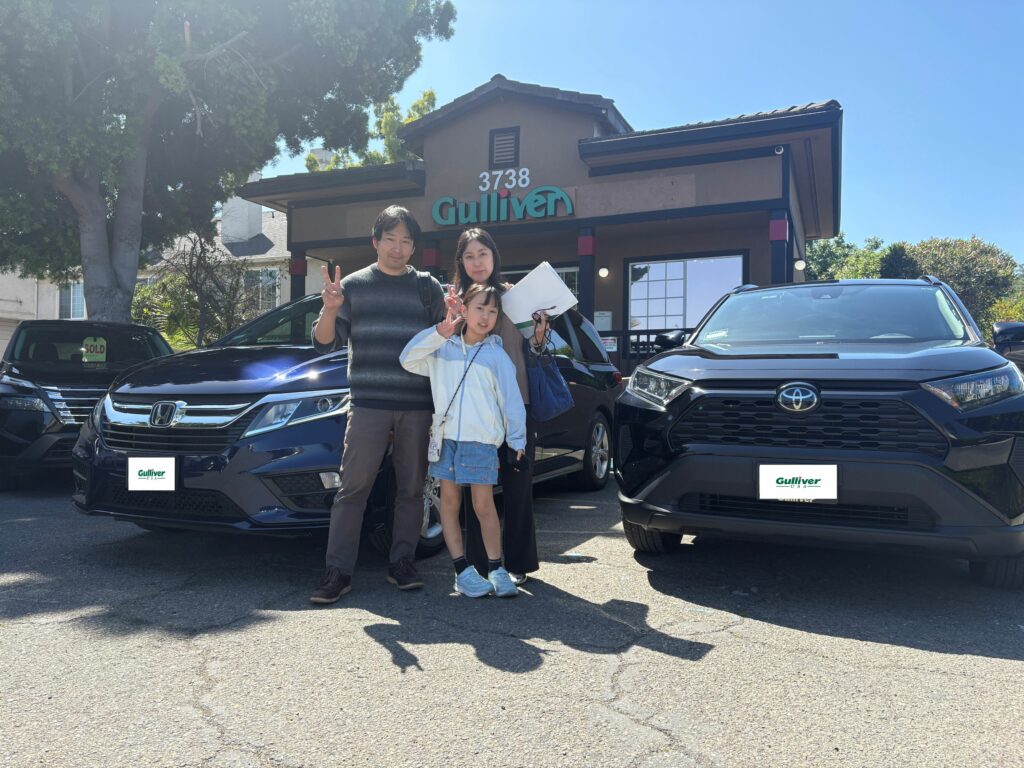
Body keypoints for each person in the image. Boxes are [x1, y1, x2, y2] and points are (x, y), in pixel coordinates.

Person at [309, 205, 444, 604]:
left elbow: (451, 333)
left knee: (411, 489)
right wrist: (330, 309)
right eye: (390, 239)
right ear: (376, 242)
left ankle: (401, 562)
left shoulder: (427, 287)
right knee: (353, 489)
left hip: (417, 403)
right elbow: (322, 341)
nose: (398, 248)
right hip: (367, 403)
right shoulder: (352, 286)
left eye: (406, 241)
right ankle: (338, 571)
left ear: (413, 246)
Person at [400, 283, 526, 597]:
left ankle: (496, 569)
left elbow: (511, 400)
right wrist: (438, 332)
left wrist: (517, 438)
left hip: (481, 441)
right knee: (451, 504)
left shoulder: (497, 355)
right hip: (445, 439)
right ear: (464, 310)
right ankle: (462, 571)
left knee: (484, 506)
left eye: (492, 311)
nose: (485, 316)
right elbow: (407, 359)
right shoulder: (441, 349)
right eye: (479, 308)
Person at [450, 228, 547, 586]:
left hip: (514, 404)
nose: (477, 262)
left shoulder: (514, 297)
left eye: (483, 254)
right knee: (475, 490)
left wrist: (538, 333)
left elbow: (535, 351)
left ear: (495, 257)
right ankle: (480, 564)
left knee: (518, 486)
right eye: (469, 256)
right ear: (460, 261)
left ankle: (518, 561)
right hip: (471, 410)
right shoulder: (455, 301)